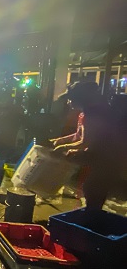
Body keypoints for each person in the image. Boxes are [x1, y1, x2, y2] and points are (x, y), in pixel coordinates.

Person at [50, 81, 119, 210]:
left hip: (108, 158)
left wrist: (63, 148)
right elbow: (78, 136)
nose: (68, 102)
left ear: (80, 98)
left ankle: (92, 218)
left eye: (71, 99)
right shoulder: (84, 113)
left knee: (93, 189)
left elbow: (85, 142)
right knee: (90, 188)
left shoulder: (94, 114)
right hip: (98, 155)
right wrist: (58, 141)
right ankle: (91, 214)